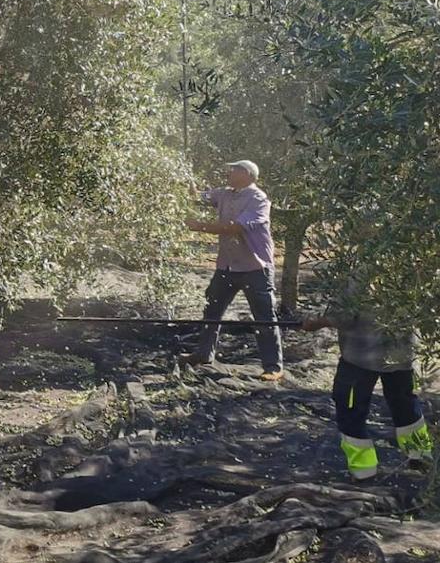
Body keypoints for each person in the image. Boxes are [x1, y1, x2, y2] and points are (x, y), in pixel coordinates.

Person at [302, 292, 432, 480]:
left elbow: (344, 316)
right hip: (401, 354)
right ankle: (421, 456)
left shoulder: (354, 266)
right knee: (404, 403)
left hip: (360, 357)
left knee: (350, 409)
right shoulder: (413, 264)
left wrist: (315, 322)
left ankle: (364, 471)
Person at [180, 160, 284, 381]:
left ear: (246, 174)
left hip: (255, 268)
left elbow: (236, 226)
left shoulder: (258, 199)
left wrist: (199, 226)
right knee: (212, 310)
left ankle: (273, 367)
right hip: (227, 265)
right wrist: (187, 181)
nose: (229, 173)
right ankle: (203, 354)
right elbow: (200, 197)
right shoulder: (225, 193)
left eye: (233, 170)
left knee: (264, 317)